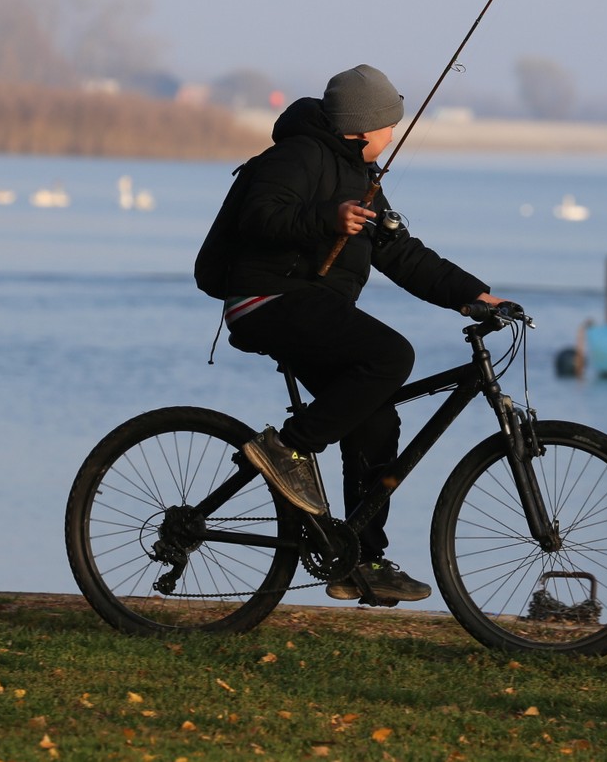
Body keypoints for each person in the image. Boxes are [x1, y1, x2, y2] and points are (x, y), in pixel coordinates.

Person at [200, 63, 508, 604]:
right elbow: (260, 216)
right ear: (363, 128)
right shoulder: (297, 155)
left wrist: (475, 296)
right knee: (391, 355)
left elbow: (402, 254)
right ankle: (285, 450)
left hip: (312, 308)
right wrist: (327, 218)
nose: (394, 135)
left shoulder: (362, 181)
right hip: (266, 300)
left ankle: (357, 561)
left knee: (376, 418)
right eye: (390, 125)